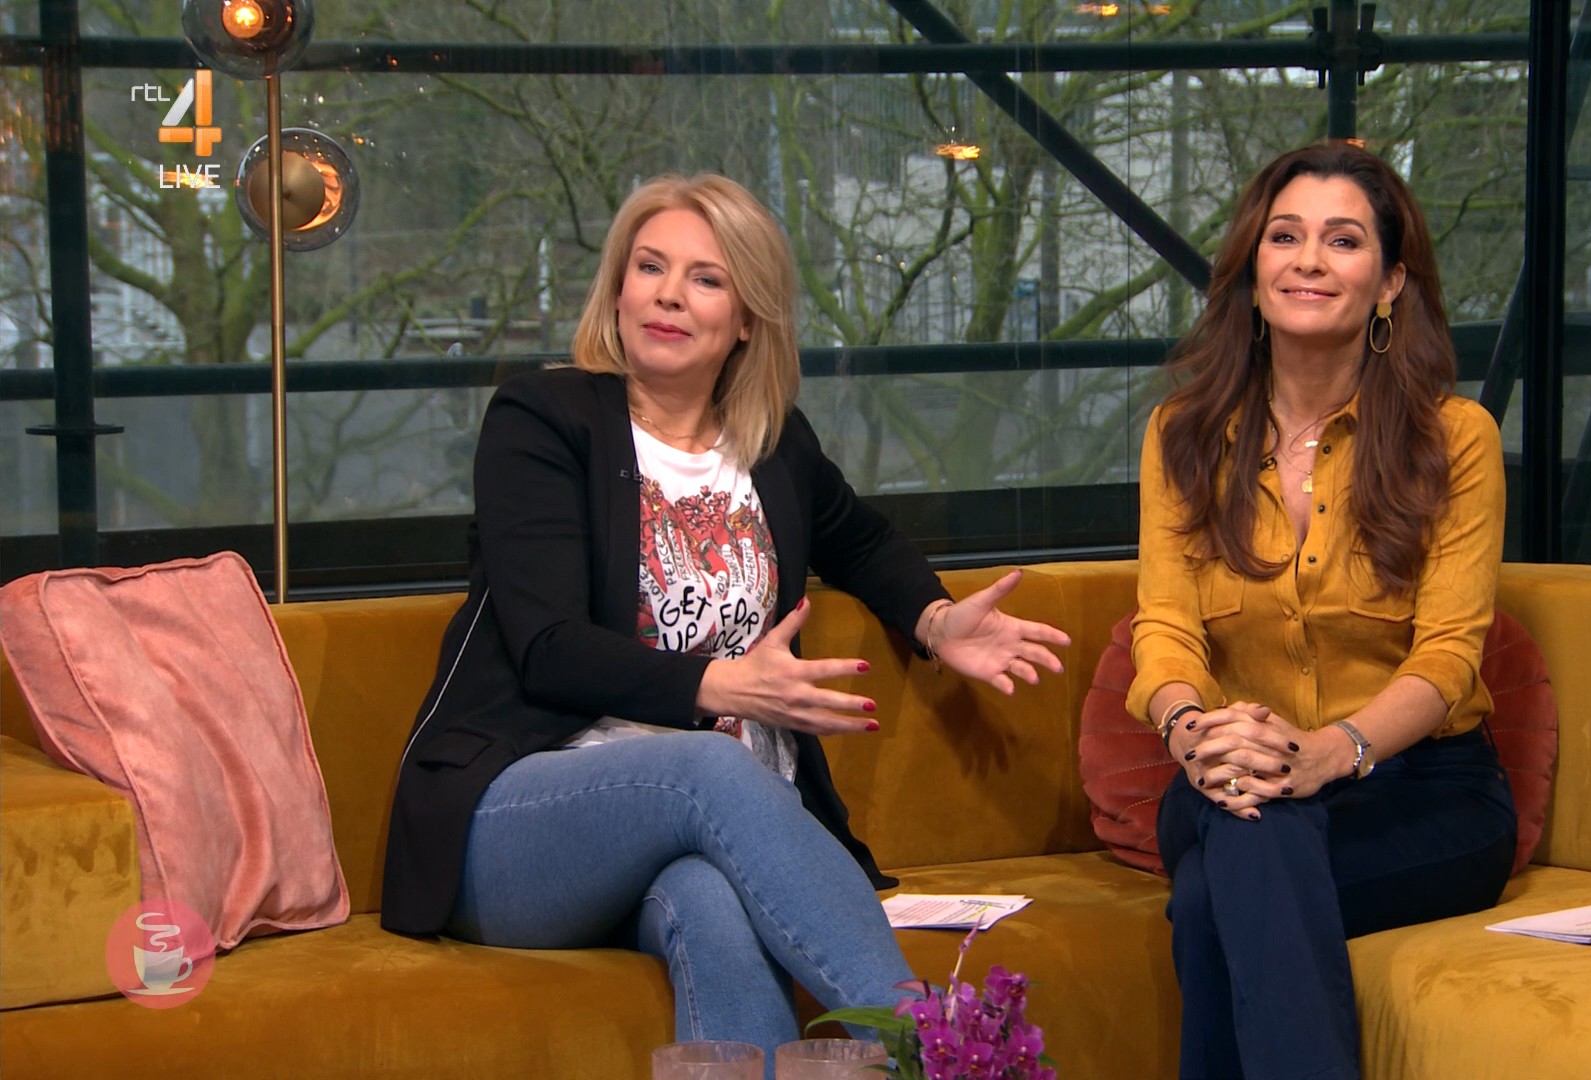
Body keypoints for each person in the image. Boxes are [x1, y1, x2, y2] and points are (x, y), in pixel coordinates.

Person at [380, 173, 1072, 1072]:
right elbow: (548, 647)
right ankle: (935, 1053)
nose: (668, 294)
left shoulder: (772, 443)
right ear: (617, 289)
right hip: (519, 822)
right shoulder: (544, 421)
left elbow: (861, 540)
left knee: (710, 906)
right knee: (710, 763)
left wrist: (936, 622)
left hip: (699, 839)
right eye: (649, 267)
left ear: (747, 317)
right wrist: (719, 686)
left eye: (705, 278)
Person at [1128, 142, 1518, 1080]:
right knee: (1252, 827)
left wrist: (1327, 753)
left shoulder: (1454, 440)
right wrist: (1192, 733)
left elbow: (1448, 657)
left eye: (1343, 241)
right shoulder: (1184, 434)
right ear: (1252, 268)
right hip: (1227, 774)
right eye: (1285, 237)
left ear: (1390, 282)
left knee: (1212, 899)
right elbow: (1167, 626)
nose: (1308, 260)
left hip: (1421, 792)